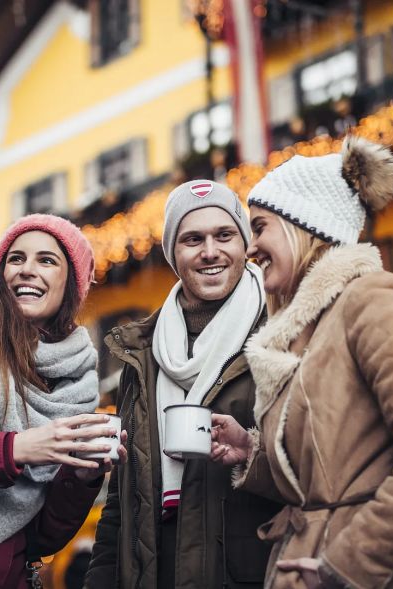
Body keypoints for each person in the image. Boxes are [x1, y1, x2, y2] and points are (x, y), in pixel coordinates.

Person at [210, 135, 393, 588]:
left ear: (302, 225)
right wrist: (252, 453)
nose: (250, 247)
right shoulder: (305, 334)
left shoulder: (373, 299)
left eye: (260, 227)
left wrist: (347, 567)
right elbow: (332, 475)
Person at [85, 181, 282, 589]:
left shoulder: (280, 334)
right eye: (193, 239)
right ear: (174, 254)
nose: (210, 251)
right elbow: (121, 500)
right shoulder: (142, 353)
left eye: (224, 235)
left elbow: (318, 470)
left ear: (245, 245)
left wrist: (250, 450)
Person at [0, 213, 126, 589]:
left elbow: (42, 537)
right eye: (15, 259)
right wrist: (17, 449)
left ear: (71, 285)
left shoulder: (75, 380)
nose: (26, 270)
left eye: (46, 260)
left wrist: (82, 477)